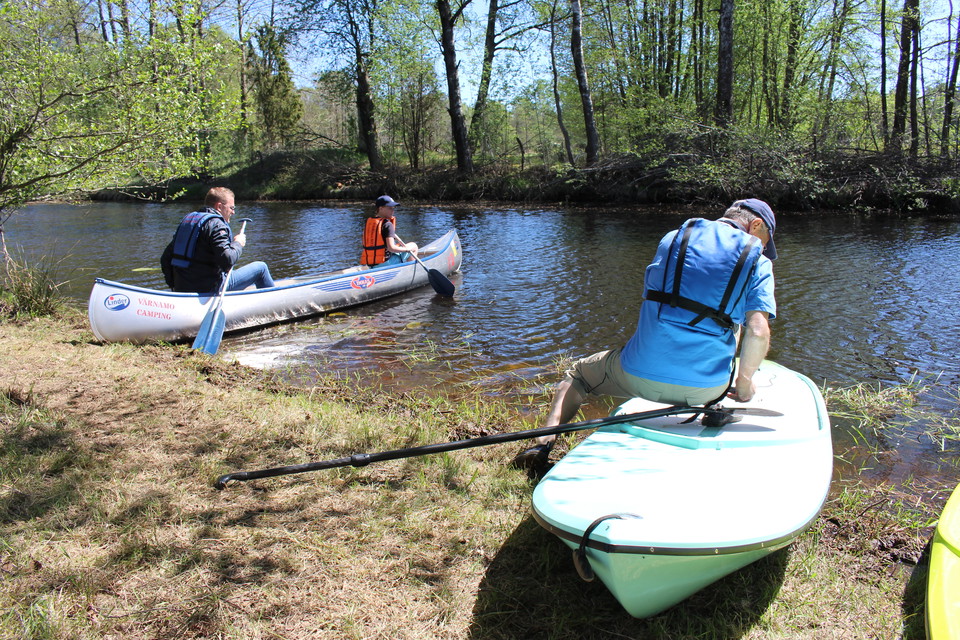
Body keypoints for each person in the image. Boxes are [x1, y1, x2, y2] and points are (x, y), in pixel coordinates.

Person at [513, 198, 778, 470]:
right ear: (755, 224)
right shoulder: (758, 261)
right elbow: (758, 332)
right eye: (766, 238)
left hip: (637, 374)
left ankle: (542, 443)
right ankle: (714, 408)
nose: (766, 247)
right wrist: (744, 385)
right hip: (707, 389)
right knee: (734, 322)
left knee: (579, 374)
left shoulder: (673, 239)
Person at [160, 187, 275, 294]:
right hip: (211, 288)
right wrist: (238, 243)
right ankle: (275, 304)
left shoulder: (190, 222)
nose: (233, 212)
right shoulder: (217, 225)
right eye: (232, 208)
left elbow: (165, 259)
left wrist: (174, 286)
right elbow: (228, 260)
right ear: (219, 206)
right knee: (261, 268)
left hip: (183, 288)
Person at [360, 195, 419, 266]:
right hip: (386, 263)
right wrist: (407, 249)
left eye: (393, 208)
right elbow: (391, 248)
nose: (393, 211)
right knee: (413, 246)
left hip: (371, 264)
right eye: (390, 208)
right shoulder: (387, 224)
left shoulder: (370, 222)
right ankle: (410, 271)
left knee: (402, 247)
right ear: (381, 208)